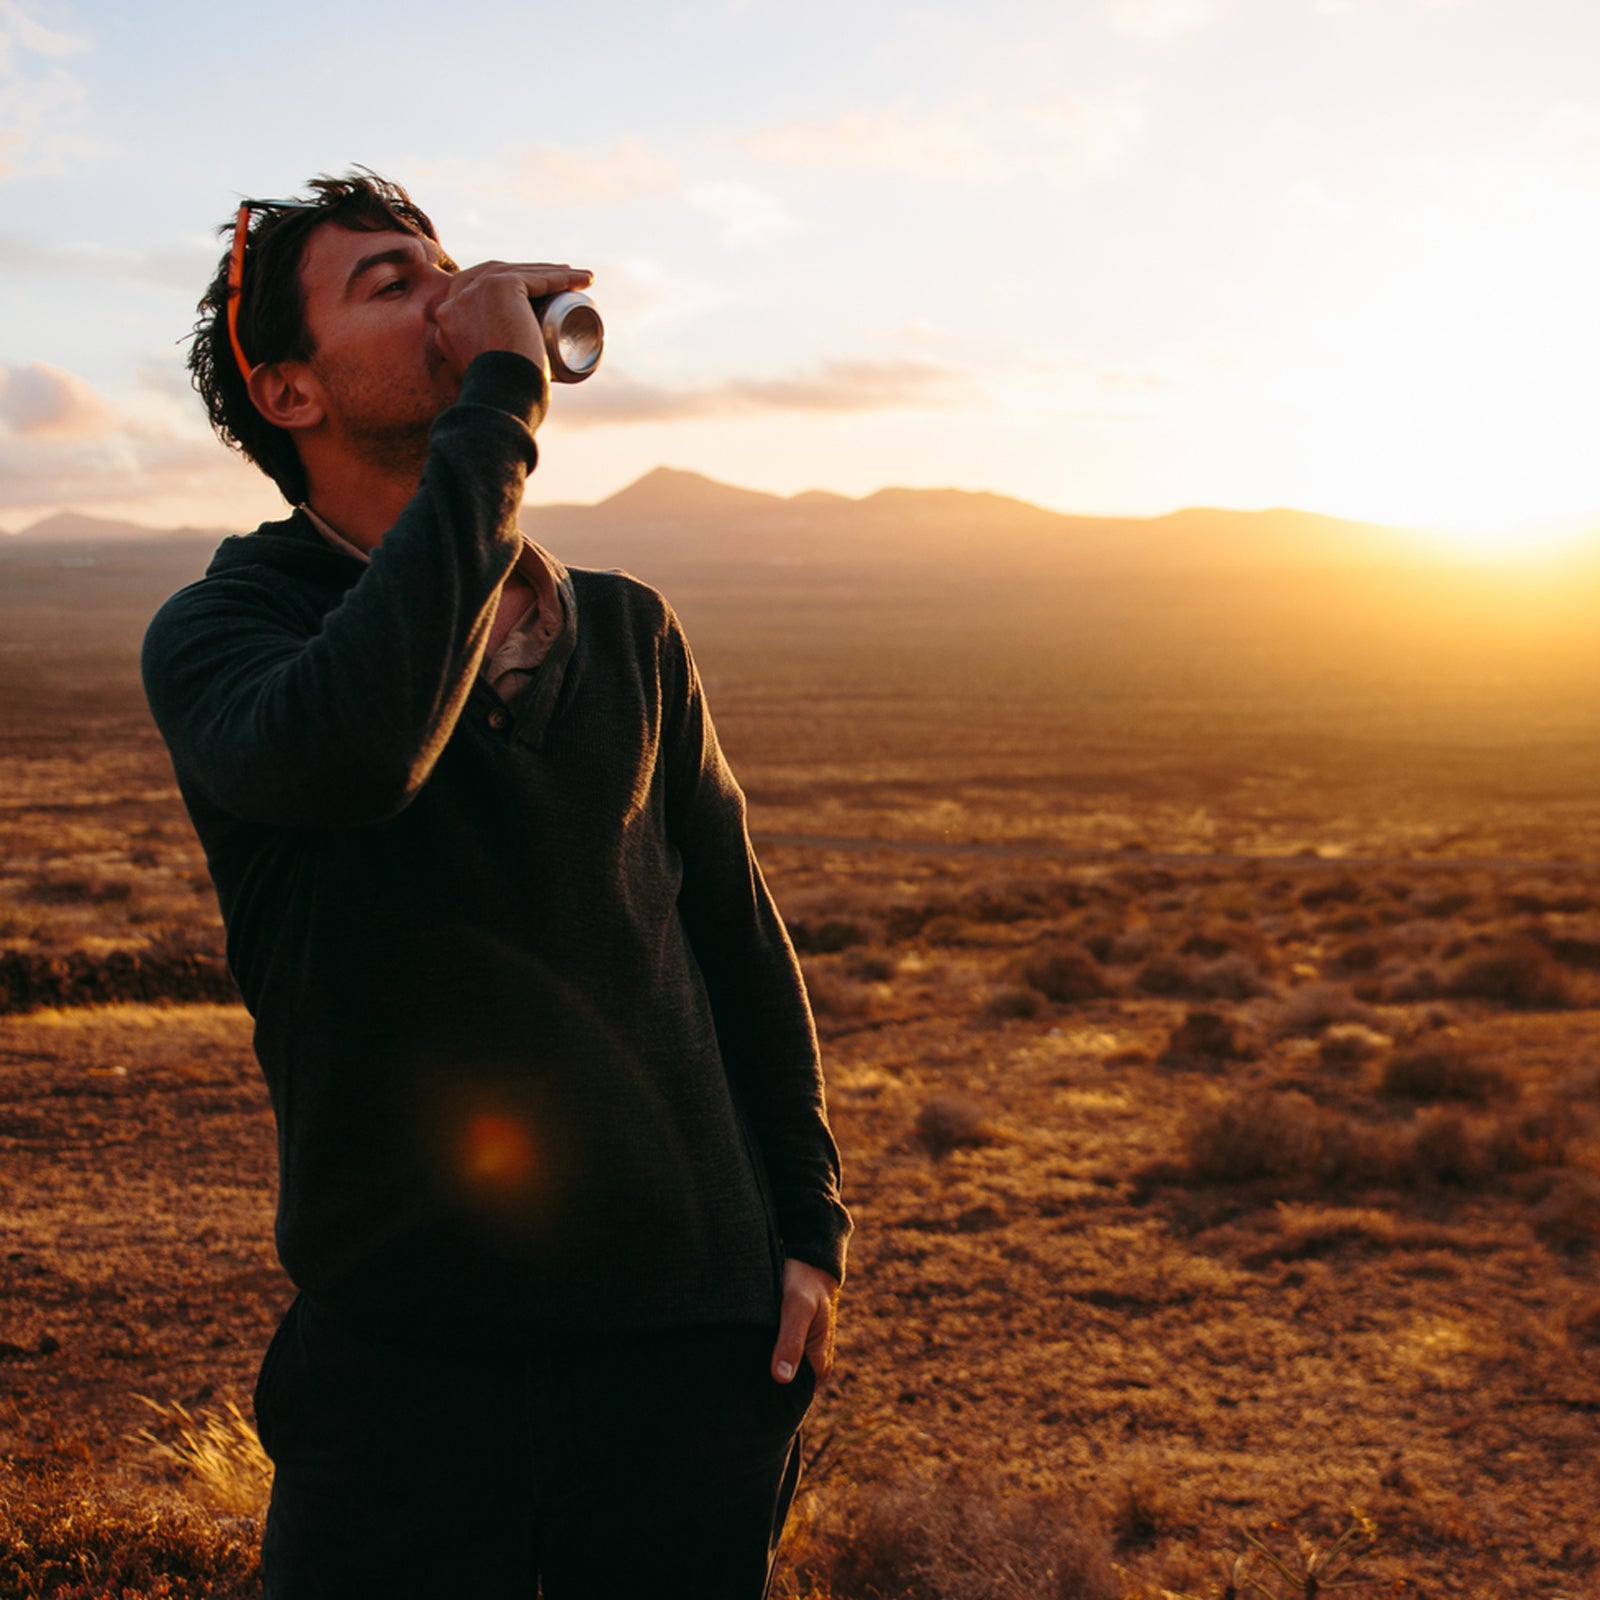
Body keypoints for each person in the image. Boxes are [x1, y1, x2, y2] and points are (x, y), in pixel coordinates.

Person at [141, 170, 851, 1600]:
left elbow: (732, 938)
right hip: (411, 1367)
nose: (454, 299)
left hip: (687, 1362)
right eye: (391, 286)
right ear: (288, 393)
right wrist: (495, 418)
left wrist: (807, 1233)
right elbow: (359, 754)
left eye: (449, 268)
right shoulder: (227, 635)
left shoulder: (632, 631)